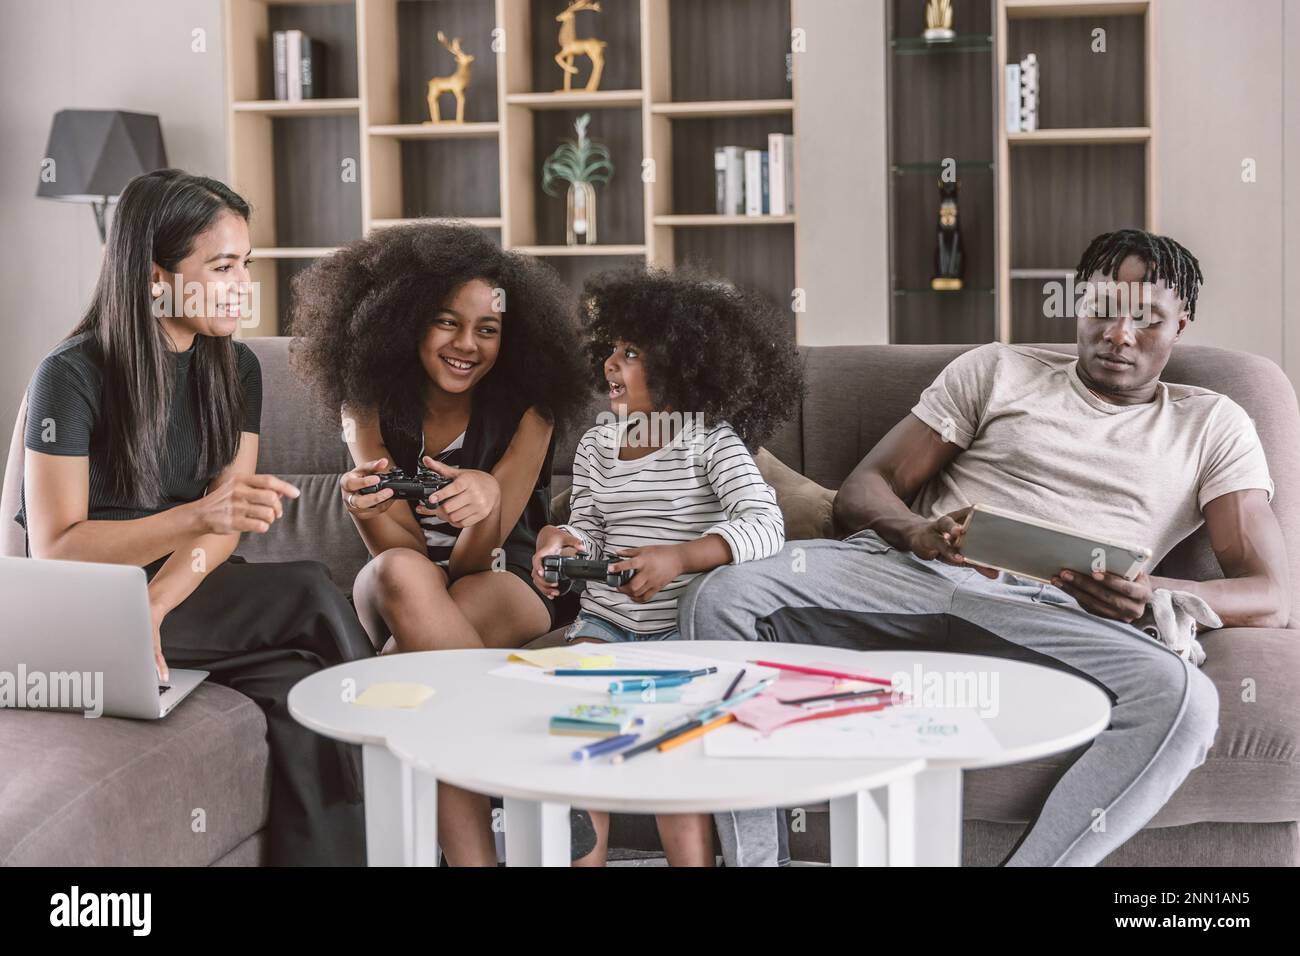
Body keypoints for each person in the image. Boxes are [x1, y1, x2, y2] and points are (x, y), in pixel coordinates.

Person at [680, 228, 1289, 866]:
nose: (1119, 334)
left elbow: (1270, 595)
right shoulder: (999, 369)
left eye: (1147, 319)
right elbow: (867, 486)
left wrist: (1151, 595)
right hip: (912, 573)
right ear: (1078, 303)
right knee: (719, 595)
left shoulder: (1213, 423)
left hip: (1054, 615)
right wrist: (914, 530)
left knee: (1186, 702)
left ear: (1180, 324)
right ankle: (754, 860)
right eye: (1104, 309)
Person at [17, 169, 373, 866]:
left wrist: (153, 606)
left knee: (300, 699)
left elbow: (226, 522)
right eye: (223, 266)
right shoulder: (71, 375)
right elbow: (55, 552)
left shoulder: (235, 369)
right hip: (87, 606)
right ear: (156, 277)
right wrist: (192, 524)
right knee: (306, 589)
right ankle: (419, 767)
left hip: (180, 592)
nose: (244, 283)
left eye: (247, 264)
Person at [290, 222, 589, 866]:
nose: (467, 345)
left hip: (503, 580)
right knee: (401, 570)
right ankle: (513, 756)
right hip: (400, 583)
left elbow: (476, 561)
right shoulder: (365, 402)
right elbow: (396, 550)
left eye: (488, 329)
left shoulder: (532, 410)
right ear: (403, 323)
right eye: (446, 323)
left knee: (437, 664)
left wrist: (485, 502)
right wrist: (362, 505)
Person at [531, 268, 803, 865]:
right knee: (583, 737)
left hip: (683, 633)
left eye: (631, 353)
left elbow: (765, 522)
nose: (611, 364)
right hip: (603, 625)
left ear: (684, 368)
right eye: (611, 349)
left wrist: (681, 556)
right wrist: (562, 540)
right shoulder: (599, 445)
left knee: (673, 762)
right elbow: (589, 525)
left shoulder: (710, 440)